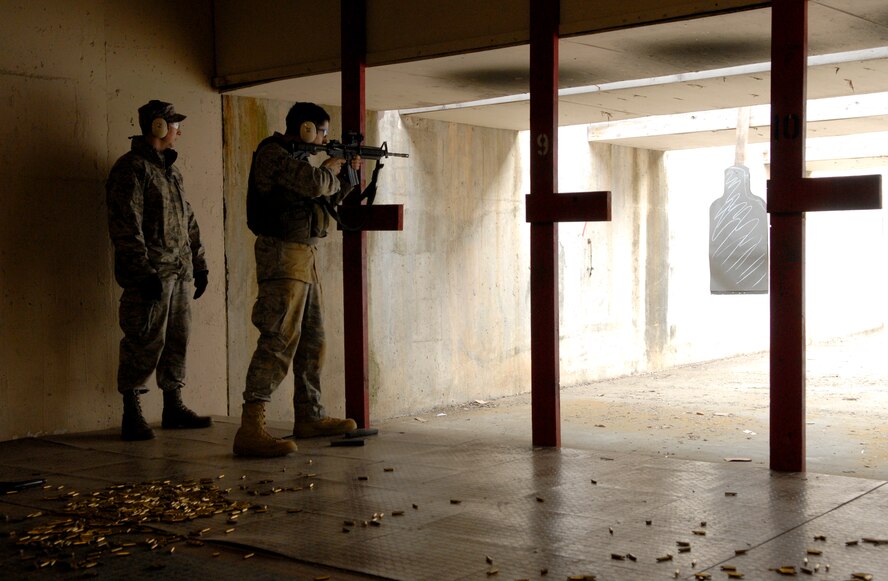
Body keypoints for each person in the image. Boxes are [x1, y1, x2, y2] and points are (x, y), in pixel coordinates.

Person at [234, 102, 360, 457]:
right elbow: (316, 183)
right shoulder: (274, 154)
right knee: (278, 338)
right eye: (320, 132)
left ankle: (310, 414)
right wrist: (331, 168)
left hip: (304, 254)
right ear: (305, 129)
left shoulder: (298, 161)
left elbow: (326, 198)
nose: (322, 139)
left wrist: (348, 178)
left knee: (313, 340)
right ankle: (250, 426)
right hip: (283, 253)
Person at [106, 99, 212, 441]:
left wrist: (199, 263)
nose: (179, 131)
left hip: (178, 272)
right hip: (152, 274)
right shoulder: (131, 169)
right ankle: (132, 412)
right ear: (158, 126)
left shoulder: (171, 171)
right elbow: (126, 225)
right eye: (173, 124)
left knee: (177, 339)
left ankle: (173, 406)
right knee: (144, 340)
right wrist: (142, 272)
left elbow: (188, 221)